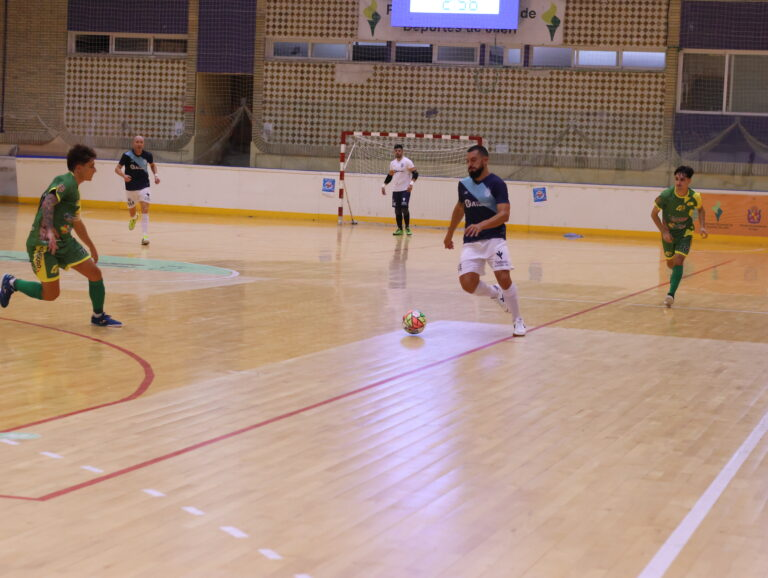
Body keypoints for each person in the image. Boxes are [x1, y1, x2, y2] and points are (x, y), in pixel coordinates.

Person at [0, 145, 123, 327]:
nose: (95, 170)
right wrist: (49, 229)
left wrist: (91, 246)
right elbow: (48, 200)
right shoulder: (66, 181)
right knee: (51, 295)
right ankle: (11, 283)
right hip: (42, 244)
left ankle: (99, 316)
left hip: (65, 243)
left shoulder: (75, 192)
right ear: (79, 168)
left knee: (95, 273)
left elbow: (77, 222)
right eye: (91, 165)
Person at [444, 145, 526, 336]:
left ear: (485, 160)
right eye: (468, 161)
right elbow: (459, 208)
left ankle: (518, 320)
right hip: (471, 242)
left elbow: (504, 214)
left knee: (504, 277)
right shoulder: (464, 184)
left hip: (495, 239)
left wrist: (482, 225)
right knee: (467, 284)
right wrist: (449, 234)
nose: (469, 165)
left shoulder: (496, 183)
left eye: (473, 160)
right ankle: (495, 293)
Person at [651, 165, 708, 308]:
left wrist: (702, 226)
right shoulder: (665, 196)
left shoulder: (695, 197)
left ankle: (670, 294)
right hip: (669, 234)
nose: (678, 182)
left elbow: (701, 210)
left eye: (682, 180)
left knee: (679, 260)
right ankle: (675, 273)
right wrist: (664, 231)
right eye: (676, 179)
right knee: (670, 262)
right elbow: (653, 214)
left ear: (689, 181)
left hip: (685, 233)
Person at [115, 135, 160, 246]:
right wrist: (123, 176)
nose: (139, 144)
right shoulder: (126, 155)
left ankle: (145, 236)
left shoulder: (148, 155)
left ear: (143, 144)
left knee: (145, 208)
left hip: (144, 186)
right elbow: (117, 169)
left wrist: (156, 175)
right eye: (137, 142)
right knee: (132, 212)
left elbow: (153, 165)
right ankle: (134, 218)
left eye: (141, 142)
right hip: (130, 187)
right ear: (133, 143)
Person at [381, 144, 418, 236]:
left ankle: (408, 228)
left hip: (405, 189)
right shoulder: (392, 163)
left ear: (402, 151)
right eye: (396, 151)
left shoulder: (407, 162)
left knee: (404, 208)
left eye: (399, 151)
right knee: (397, 210)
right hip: (396, 190)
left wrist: (411, 184)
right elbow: (390, 176)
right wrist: (383, 185)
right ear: (394, 152)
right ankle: (399, 229)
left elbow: (415, 173)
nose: (398, 152)